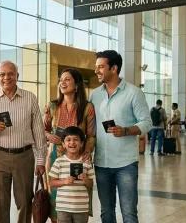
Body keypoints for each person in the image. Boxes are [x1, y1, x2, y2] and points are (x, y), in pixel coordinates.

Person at [89, 50, 151, 223]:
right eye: (96, 67)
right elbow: (90, 125)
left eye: (101, 67)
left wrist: (125, 131)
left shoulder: (133, 93)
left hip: (126, 164)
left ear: (114, 68)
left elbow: (147, 122)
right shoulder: (94, 94)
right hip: (101, 162)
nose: (97, 71)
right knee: (106, 212)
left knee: (129, 213)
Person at [0, 60, 47, 223]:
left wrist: (40, 161)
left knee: (24, 201)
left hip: (24, 156)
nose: (6, 78)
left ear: (17, 76)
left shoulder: (30, 98)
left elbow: (39, 132)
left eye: (10, 74)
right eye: (2, 74)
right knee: (0, 202)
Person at [43, 68, 96, 223]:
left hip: (79, 160)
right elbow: (44, 130)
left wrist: (87, 152)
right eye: (61, 79)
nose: (62, 82)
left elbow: (92, 135)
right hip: (54, 159)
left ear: (77, 85)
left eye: (67, 79)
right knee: (55, 199)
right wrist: (48, 136)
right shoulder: (52, 106)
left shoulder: (87, 108)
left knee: (78, 196)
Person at [48, 126, 95, 223]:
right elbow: (52, 183)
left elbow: (90, 184)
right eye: (68, 140)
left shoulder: (86, 162)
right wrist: (64, 181)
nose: (72, 142)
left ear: (82, 143)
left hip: (81, 208)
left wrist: (86, 180)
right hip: (63, 208)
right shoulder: (59, 161)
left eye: (76, 140)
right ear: (63, 144)